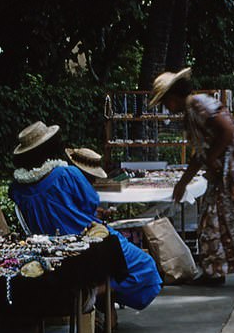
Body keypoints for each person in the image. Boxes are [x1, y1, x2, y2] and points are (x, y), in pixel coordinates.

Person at [152, 69, 234, 294]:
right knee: (211, 221)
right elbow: (199, 153)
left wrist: (211, 158)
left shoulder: (200, 104)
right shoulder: (191, 113)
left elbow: (227, 130)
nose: (168, 108)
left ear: (173, 97)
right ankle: (215, 270)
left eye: (166, 102)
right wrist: (183, 181)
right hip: (224, 174)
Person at [9, 122, 162, 310]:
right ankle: (95, 291)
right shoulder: (66, 174)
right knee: (145, 267)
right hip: (86, 241)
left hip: (47, 245)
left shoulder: (15, 188)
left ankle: (97, 297)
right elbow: (90, 204)